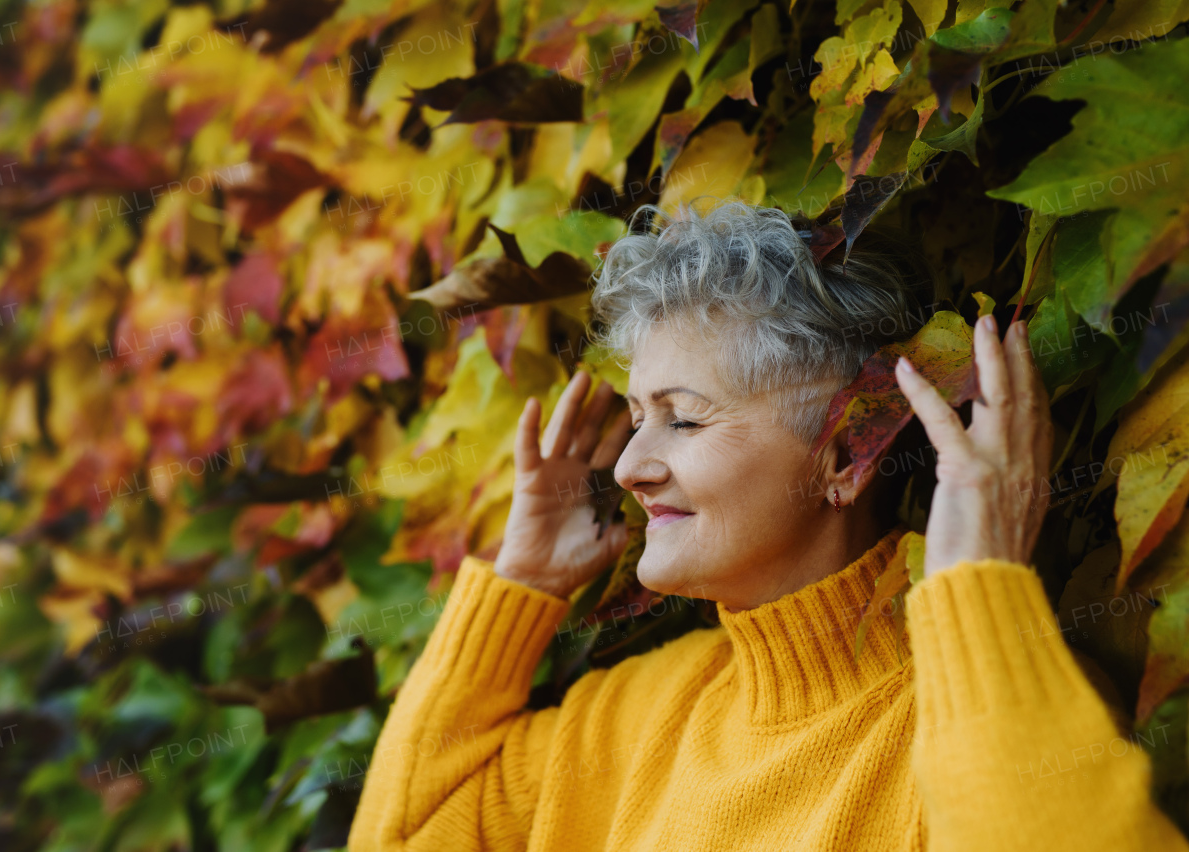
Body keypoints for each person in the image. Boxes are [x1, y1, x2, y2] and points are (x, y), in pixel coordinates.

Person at [347, 201, 1187, 851]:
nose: (630, 464)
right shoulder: (628, 716)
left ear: (847, 455)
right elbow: (410, 834)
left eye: (683, 420)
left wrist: (980, 596)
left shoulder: (988, 704)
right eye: (636, 415)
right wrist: (519, 587)